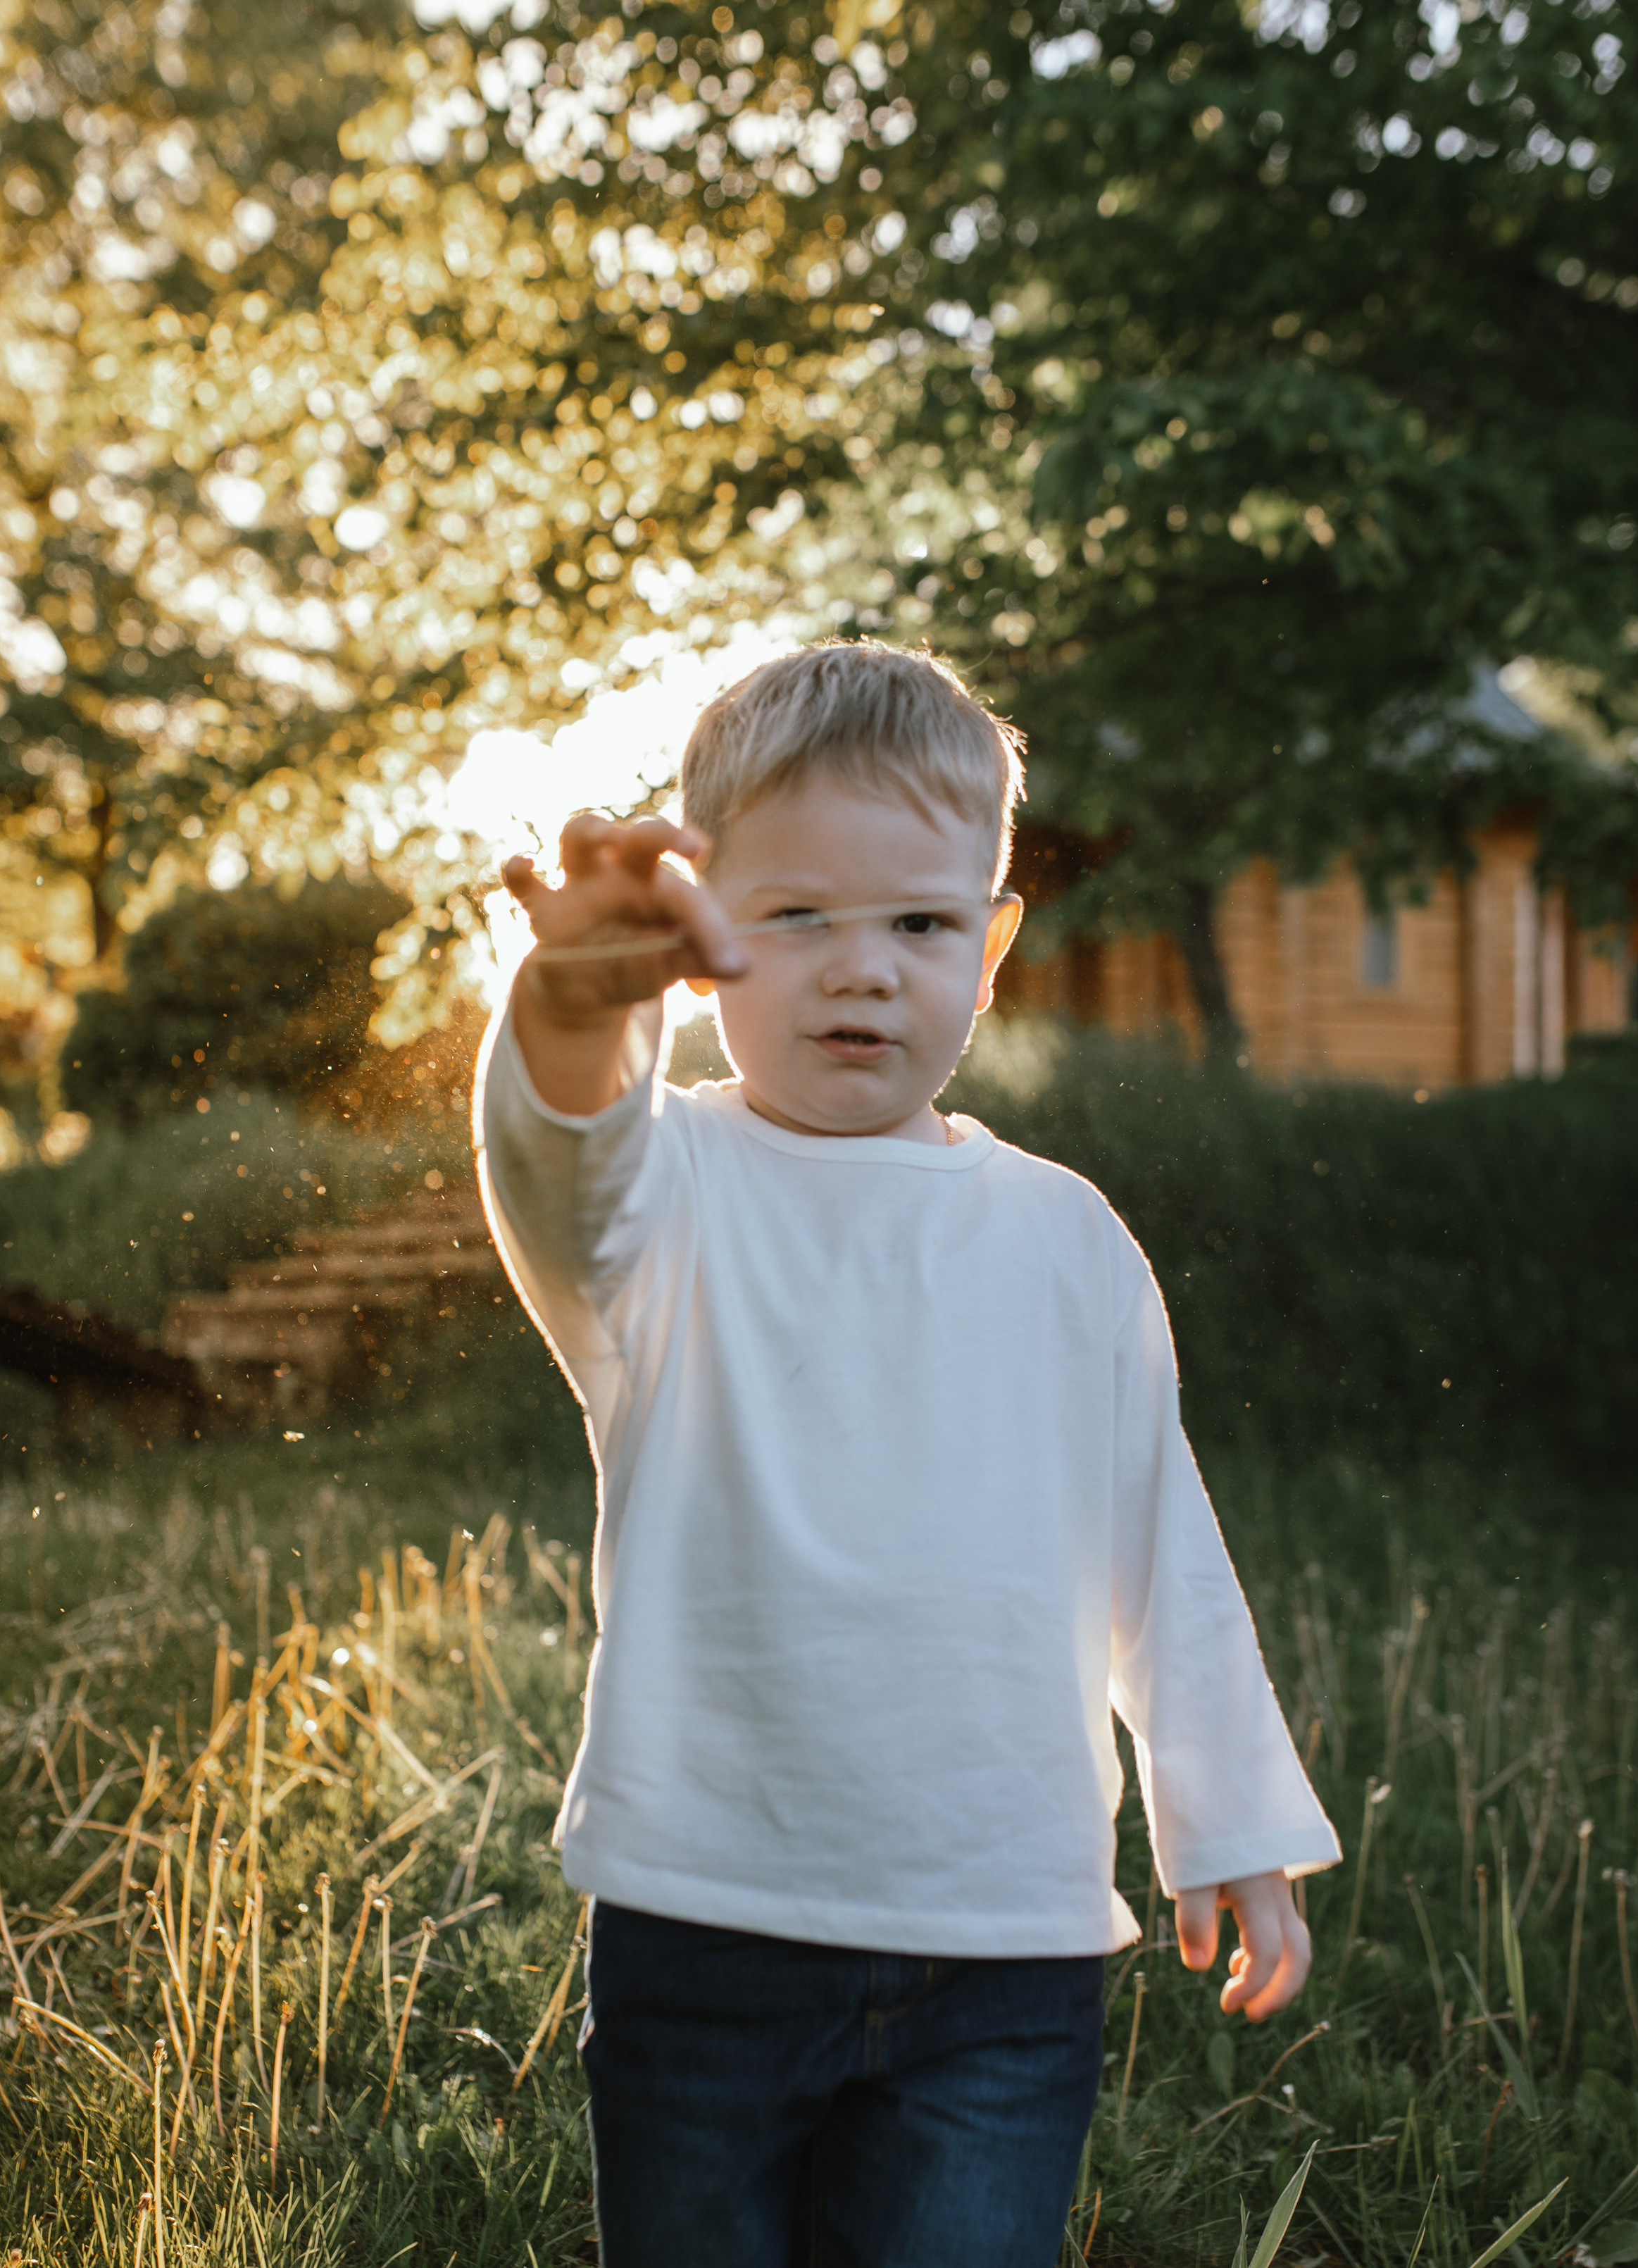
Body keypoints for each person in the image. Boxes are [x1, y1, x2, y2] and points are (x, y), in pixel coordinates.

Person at [475, 642, 1340, 2268]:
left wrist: (1225, 1814)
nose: (861, 969)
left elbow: (1156, 1540)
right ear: (699, 931)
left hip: (999, 1947)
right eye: (794, 916)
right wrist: (574, 1003)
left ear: (992, 945)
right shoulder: (664, 1199)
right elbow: (556, 1148)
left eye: (920, 923)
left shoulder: (1064, 1236)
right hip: (706, 1915)